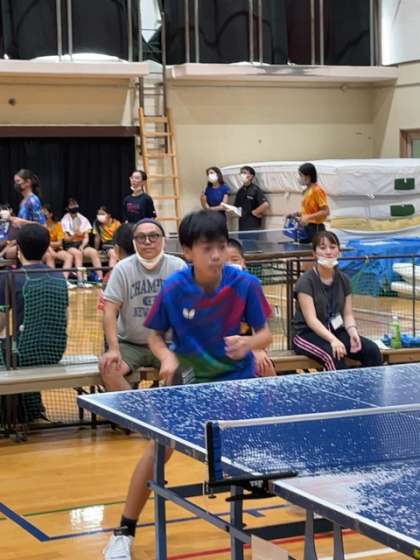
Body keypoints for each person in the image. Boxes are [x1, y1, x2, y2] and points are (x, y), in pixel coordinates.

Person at [102, 210, 272, 559]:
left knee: (259, 452)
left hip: (235, 385)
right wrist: (166, 356)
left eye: (221, 247)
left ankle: (280, 517)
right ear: (188, 252)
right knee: (157, 452)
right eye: (207, 249)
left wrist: (250, 344)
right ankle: (124, 532)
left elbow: (265, 333)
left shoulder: (245, 285)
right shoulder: (175, 287)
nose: (216, 256)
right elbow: (155, 336)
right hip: (188, 382)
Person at [99, 218, 185, 392]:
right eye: (141, 237)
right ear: (134, 241)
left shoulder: (178, 266)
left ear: (163, 240)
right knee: (108, 367)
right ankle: (133, 408)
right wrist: (113, 349)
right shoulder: (122, 269)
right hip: (131, 345)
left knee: (181, 370)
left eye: (153, 236)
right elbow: (109, 311)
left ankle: (169, 408)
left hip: (167, 344)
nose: (147, 241)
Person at [0, 223, 68, 422]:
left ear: (18, 249)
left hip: (21, 355)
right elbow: (65, 318)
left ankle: (14, 412)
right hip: (55, 352)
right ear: (46, 248)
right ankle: (31, 408)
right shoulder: (59, 277)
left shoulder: (10, 277)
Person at [292, 230, 382, 370]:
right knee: (333, 355)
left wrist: (352, 332)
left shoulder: (344, 280)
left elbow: (348, 315)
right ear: (314, 254)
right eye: (322, 248)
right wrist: (333, 340)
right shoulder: (305, 282)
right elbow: (311, 320)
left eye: (332, 247)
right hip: (307, 334)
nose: (328, 252)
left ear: (339, 252)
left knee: (372, 350)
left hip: (336, 330)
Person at [226, 237, 275, 377]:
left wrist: (257, 349)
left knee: (266, 367)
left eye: (235, 260)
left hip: (248, 346)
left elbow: (262, 325)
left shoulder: (250, 285)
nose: (230, 264)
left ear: (243, 262)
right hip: (222, 349)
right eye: (225, 261)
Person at [61, 198, 103, 286]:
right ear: (67, 208)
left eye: (75, 204)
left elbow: (86, 237)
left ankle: (100, 279)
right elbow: (66, 239)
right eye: (71, 205)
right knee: (78, 254)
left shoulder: (83, 219)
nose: (74, 206)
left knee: (94, 252)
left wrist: (82, 246)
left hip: (82, 244)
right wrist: (74, 235)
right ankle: (81, 281)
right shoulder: (64, 220)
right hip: (70, 245)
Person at [294, 162, 329, 243]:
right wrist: (297, 214)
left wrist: (308, 217)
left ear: (308, 176)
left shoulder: (317, 190)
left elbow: (325, 211)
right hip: (306, 228)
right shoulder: (306, 191)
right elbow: (310, 210)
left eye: (301, 175)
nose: (299, 178)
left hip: (316, 228)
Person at [42, 204, 75, 289]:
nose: (43, 213)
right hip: (44, 250)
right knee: (50, 256)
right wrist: (50, 249)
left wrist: (50, 244)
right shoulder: (42, 226)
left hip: (57, 249)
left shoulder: (58, 225)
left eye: (45, 211)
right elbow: (43, 243)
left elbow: (59, 243)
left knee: (69, 257)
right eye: (42, 211)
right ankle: (52, 281)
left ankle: (64, 280)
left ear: (51, 214)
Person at [232, 165, 269, 231]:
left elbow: (265, 204)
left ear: (251, 176)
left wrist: (255, 212)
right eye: (241, 173)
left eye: (244, 173)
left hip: (253, 224)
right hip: (242, 224)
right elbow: (236, 207)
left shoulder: (255, 189)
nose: (242, 175)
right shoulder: (240, 191)